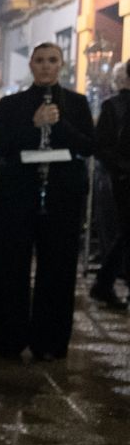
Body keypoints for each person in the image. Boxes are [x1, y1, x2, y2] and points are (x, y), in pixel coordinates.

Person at [0, 43, 94, 361]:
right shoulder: (11, 104)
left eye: (53, 61)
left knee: (58, 268)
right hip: (17, 195)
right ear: (31, 66)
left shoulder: (77, 103)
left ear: (61, 65)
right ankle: (7, 338)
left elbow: (88, 145)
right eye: (40, 61)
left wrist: (59, 125)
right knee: (10, 266)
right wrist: (32, 124)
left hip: (62, 195)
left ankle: (50, 341)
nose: (46, 66)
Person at [90, 62, 130, 309]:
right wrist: (123, 168)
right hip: (123, 179)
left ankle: (103, 284)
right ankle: (103, 284)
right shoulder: (114, 106)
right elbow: (102, 147)